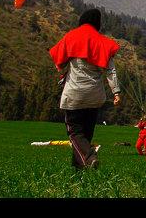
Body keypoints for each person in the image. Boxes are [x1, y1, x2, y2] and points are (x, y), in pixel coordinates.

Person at [49, 9, 121, 170]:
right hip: (95, 96)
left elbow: (59, 65)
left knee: (75, 133)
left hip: (75, 94)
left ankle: (90, 157)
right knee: (86, 135)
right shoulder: (103, 42)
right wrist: (116, 92)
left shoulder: (71, 37)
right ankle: (78, 171)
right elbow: (111, 71)